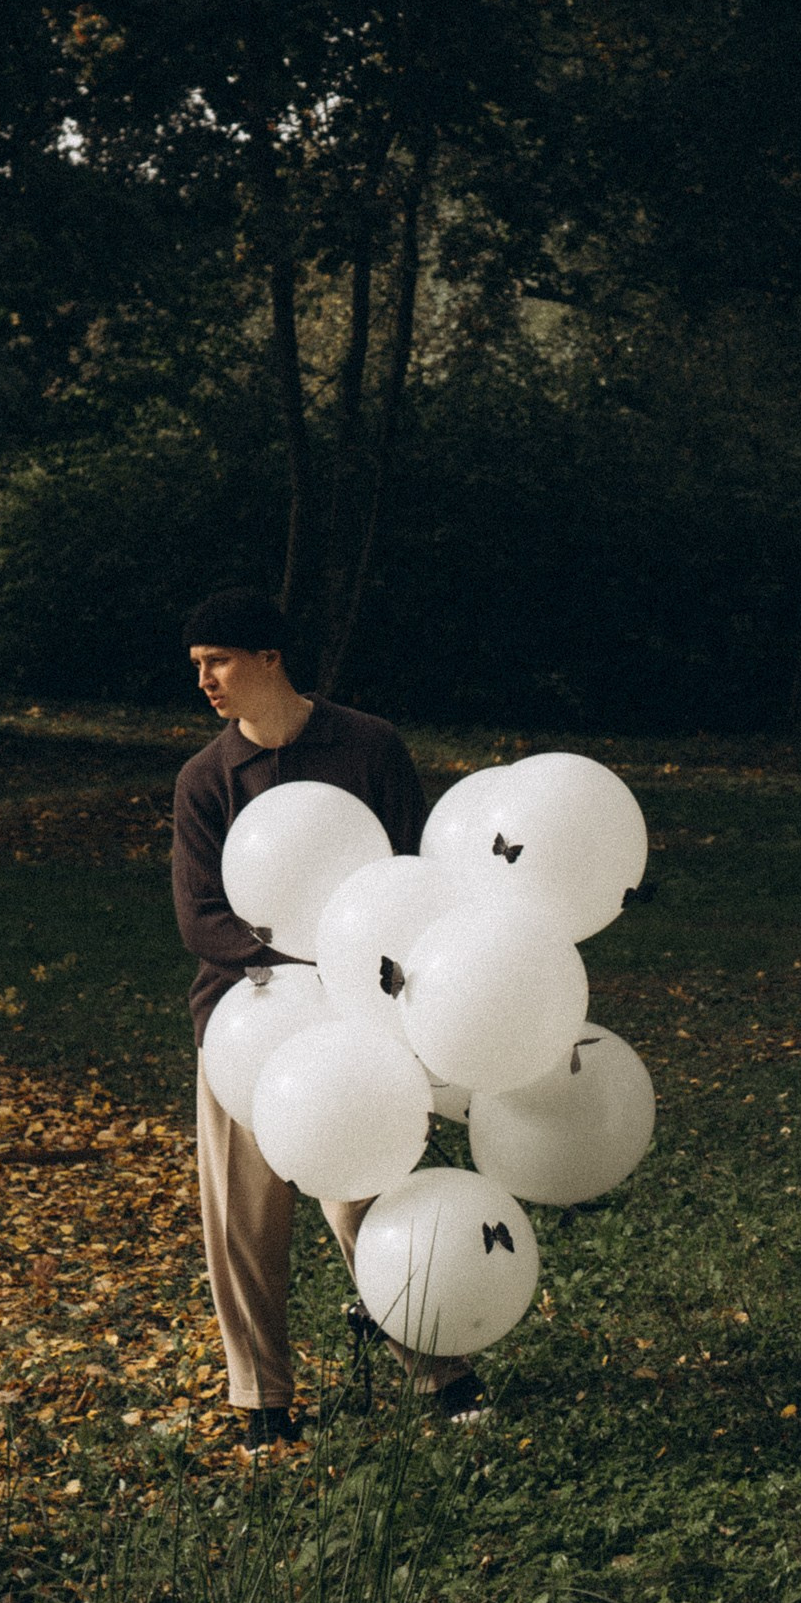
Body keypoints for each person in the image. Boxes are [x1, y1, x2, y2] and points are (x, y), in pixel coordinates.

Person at [171, 587, 488, 1443]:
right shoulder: (205, 780)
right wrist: (300, 966)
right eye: (197, 665)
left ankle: (440, 1366)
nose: (205, 680)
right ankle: (262, 1399)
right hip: (246, 1021)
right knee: (245, 1216)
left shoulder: (368, 747)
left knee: (369, 1193)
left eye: (219, 661)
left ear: (270, 657)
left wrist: (364, 970)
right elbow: (201, 918)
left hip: (355, 1019)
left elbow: (413, 870)